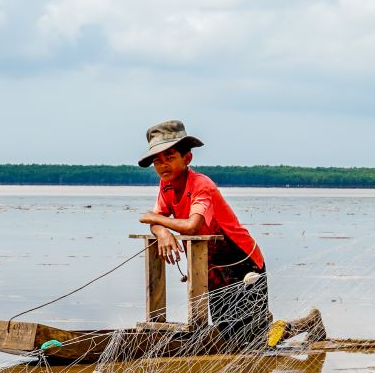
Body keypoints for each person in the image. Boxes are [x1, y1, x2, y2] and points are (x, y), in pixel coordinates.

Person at [137, 120, 324, 350]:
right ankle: (269, 324)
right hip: (213, 271)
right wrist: (162, 232)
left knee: (255, 343)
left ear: (187, 159)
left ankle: (306, 323)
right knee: (229, 339)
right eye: (158, 160)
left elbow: (192, 226)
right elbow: (158, 219)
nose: (163, 165)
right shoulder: (165, 186)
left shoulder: (200, 185)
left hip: (243, 262)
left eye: (170, 157)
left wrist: (155, 220)